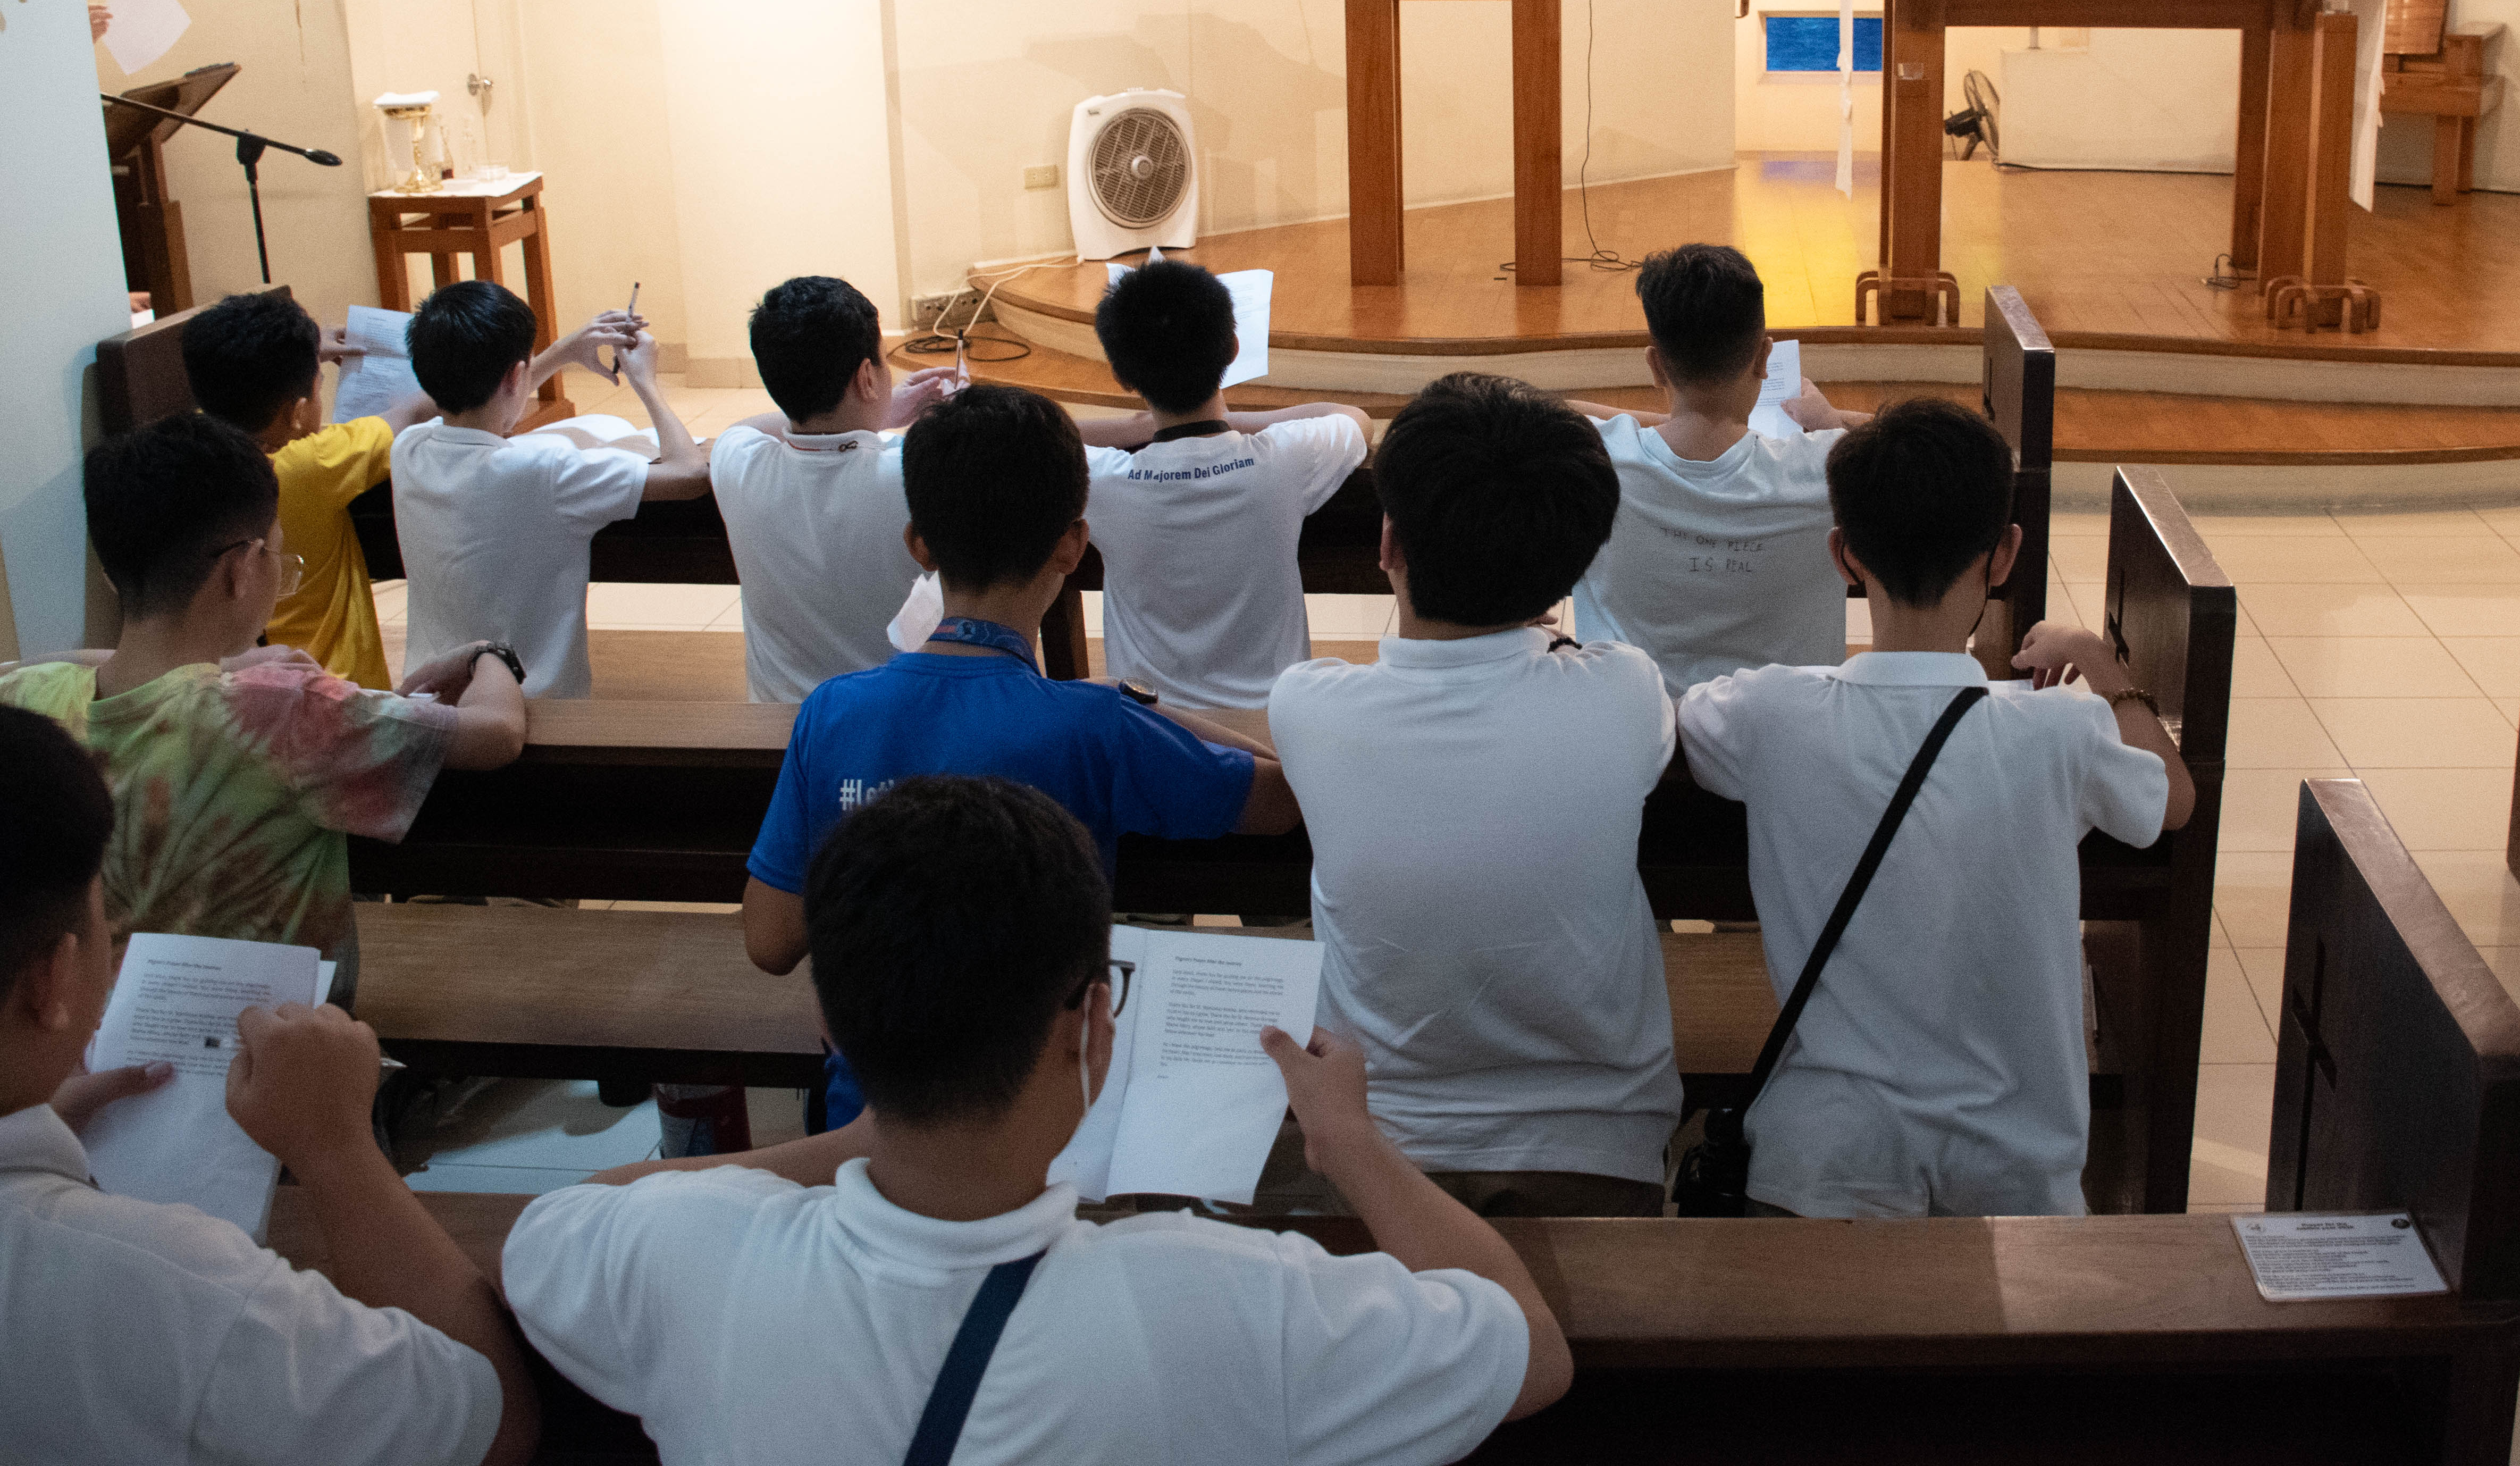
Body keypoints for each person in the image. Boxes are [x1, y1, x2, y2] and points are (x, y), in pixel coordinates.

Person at [506, 773, 1567, 1463]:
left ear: (830, 1020)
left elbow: (560, 1225)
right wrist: (1354, 1146)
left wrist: (859, 1137)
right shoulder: (1225, 1299)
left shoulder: (694, 1254)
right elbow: (1526, 1347)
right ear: (1095, 1023)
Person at [1677, 398, 2193, 1218]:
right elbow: (2173, 800)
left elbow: (1675, 721)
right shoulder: (2059, 731)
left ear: (1844, 557)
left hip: (1826, 1159)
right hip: (2018, 1161)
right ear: (2005, 555)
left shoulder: (1769, 714)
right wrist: (2097, 660)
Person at [740, 385, 1298, 1127]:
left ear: (920, 544)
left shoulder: (833, 712)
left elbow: (770, 940)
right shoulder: (1094, 727)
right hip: (1044, 1130)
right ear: (1073, 544)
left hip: (868, 1120)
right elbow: (1281, 796)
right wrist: (1140, 701)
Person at [0, 707, 541, 1466]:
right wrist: (338, 1150)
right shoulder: (173, 1290)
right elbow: (487, 1421)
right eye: (104, 919)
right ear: (52, 980)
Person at [1268, 372, 1678, 1214]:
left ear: (1389, 542)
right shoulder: (1626, 691)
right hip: (1598, 1145)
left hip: (1374, 1147)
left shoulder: (1309, 707)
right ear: (1570, 571)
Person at [0, 413, 527, 997]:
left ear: (109, 575)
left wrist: (224, 668)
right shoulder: (283, 712)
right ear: (242, 569)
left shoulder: (26, 704)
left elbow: (43, 666)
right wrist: (491, 656)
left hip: (89, 1030)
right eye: (278, 554)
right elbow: (496, 734)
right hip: (272, 1033)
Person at [1567, 244, 1871, 697]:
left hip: (1639, 729)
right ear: (1764, 358)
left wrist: (1670, 421)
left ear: (1656, 366)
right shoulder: (1830, 467)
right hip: (1788, 729)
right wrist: (1832, 421)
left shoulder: (1590, 460)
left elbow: (1551, 408)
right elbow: (1930, 439)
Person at [391, 280, 708, 699]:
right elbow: (689, 474)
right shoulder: (547, 470)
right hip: (533, 706)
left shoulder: (408, 449)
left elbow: (478, 401)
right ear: (516, 376)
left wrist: (563, 352)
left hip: (429, 700)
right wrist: (646, 381)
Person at [1079, 257, 1371, 710]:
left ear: (1121, 376)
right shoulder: (1284, 460)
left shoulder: (1103, 479)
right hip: (1273, 726)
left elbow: (1035, 431)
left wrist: (1139, 427)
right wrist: (1233, 421)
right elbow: (1353, 418)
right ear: (1233, 349)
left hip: (1154, 729)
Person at [712, 276, 965, 702]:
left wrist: (874, 409)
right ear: (866, 376)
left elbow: (745, 428)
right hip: (897, 719)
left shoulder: (736, 462)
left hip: (784, 724)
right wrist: (884, 412)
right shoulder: (920, 472)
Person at [180, 291, 438, 689]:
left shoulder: (185, 459)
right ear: (298, 412)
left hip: (243, 691)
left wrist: (298, 360)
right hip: (336, 690)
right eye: (319, 387)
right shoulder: (311, 464)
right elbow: (413, 413)